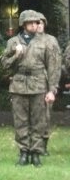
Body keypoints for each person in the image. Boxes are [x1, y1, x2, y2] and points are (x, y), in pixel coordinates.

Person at [0, 9, 60, 166]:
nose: (34, 25)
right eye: (31, 22)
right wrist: (16, 55)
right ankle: (23, 152)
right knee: (20, 120)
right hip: (19, 84)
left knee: (38, 121)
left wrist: (52, 90)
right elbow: (4, 64)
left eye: (36, 22)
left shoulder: (46, 42)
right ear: (23, 24)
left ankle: (36, 152)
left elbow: (53, 67)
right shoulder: (13, 42)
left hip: (39, 84)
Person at [35, 13, 62, 155]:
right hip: (28, 85)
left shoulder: (51, 41)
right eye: (36, 22)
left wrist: (52, 88)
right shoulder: (25, 40)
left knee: (44, 115)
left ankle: (42, 145)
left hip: (45, 83)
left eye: (41, 22)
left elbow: (55, 66)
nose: (38, 25)